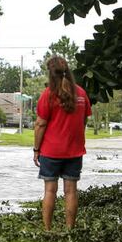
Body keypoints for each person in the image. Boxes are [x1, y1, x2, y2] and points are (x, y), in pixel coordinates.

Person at [33, 56, 92, 231]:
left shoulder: (48, 94)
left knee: (50, 191)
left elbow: (40, 124)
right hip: (74, 151)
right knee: (71, 191)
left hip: (51, 151)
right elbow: (83, 121)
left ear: (50, 73)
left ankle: (47, 230)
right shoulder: (81, 93)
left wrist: (36, 149)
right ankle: (69, 230)